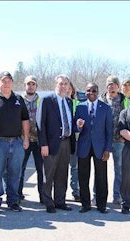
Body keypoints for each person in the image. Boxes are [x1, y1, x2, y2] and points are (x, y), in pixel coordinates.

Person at [0, 71, 29, 213]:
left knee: (15, 173)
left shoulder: (19, 99)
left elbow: (25, 121)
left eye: (9, 81)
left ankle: (13, 201)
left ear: (12, 83)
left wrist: (26, 138)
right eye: (3, 81)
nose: (6, 83)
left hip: (17, 142)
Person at [36, 74, 76, 213]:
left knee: (62, 174)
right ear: (56, 85)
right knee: (49, 174)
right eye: (61, 83)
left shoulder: (69, 102)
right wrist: (43, 144)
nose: (63, 86)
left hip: (66, 142)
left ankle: (60, 201)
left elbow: (69, 122)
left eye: (66, 84)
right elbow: (40, 124)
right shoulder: (47, 100)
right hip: (51, 143)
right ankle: (48, 202)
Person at [75, 82, 113, 213]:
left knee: (101, 177)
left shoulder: (106, 108)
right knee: (83, 177)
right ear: (85, 92)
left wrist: (108, 149)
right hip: (84, 146)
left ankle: (102, 205)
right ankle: (85, 204)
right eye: (88, 91)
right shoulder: (80, 107)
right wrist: (78, 126)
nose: (91, 93)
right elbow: (75, 127)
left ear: (98, 92)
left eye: (94, 91)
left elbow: (109, 130)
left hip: (100, 147)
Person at [99, 75, 129, 205]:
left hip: (119, 140)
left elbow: (129, 118)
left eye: (114, 84)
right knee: (100, 170)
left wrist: (125, 136)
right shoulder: (101, 99)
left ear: (118, 86)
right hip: (103, 140)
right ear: (106, 86)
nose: (112, 86)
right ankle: (98, 196)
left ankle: (118, 196)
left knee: (119, 169)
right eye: (109, 84)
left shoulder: (125, 100)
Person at [19, 75, 44, 204]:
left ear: (36, 86)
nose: (31, 86)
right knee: (20, 169)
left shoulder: (42, 100)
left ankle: (43, 196)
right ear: (25, 86)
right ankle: (18, 195)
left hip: (38, 141)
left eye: (33, 84)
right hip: (23, 140)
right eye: (28, 84)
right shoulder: (18, 100)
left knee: (41, 170)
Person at [68, 81, 81, 202]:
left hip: (74, 140)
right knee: (59, 168)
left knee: (75, 167)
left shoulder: (77, 104)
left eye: (69, 88)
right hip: (60, 140)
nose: (67, 90)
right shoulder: (55, 103)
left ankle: (76, 192)